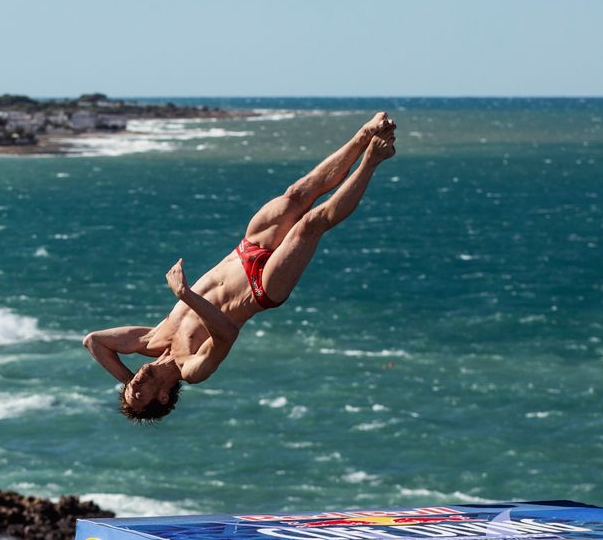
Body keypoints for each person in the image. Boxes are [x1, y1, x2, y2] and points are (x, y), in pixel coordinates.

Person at [83, 112, 397, 422]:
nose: (134, 385)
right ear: (163, 396)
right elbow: (227, 334)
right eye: (138, 395)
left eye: (128, 387)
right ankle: (373, 158)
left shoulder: (150, 341)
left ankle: (364, 135)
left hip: (244, 252)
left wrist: (127, 381)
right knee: (311, 224)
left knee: (298, 195)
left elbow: (94, 342)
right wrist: (184, 294)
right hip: (261, 287)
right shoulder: (191, 369)